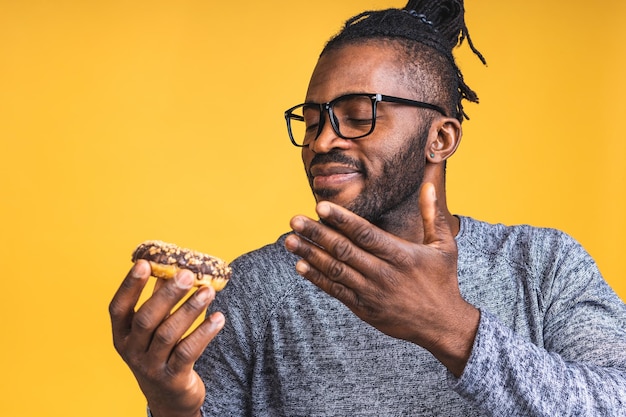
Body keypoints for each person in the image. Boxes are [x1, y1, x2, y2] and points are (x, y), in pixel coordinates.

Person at [109, 1, 626, 416]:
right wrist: (172, 406)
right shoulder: (257, 288)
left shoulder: (542, 266)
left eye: (359, 115)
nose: (322, 141)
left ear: (440, 137)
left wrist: (450, 327)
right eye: (312, 121)